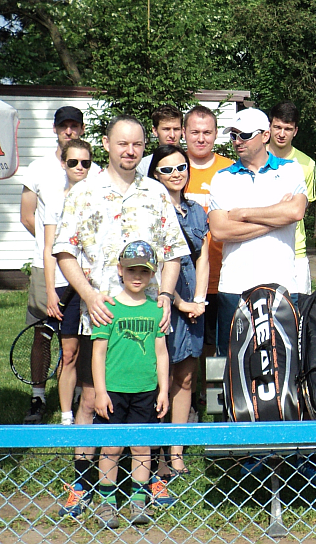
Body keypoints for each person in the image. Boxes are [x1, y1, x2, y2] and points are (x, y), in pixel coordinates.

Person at [53, 115, 188, 515]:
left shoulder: (157, 192)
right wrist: (88, 295)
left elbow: (173, 253)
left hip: (147, 317)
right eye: (122, 143)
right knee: (92, 398)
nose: (130, 151)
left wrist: (166, 296)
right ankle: (81, 482)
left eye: (137, 144)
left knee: (151, 396)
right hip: (100, 314)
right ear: (106, 144)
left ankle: (152, 479)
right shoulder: (84, 192)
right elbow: (64, 251)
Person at [19, 105, 100, 424]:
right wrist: (55, 248)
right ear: (55, 129)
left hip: (87, 271)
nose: (69, 130)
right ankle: (38, 395)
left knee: (83, 337)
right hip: (48, 268)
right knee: (42, 333)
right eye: (63, 125)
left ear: (81, 129)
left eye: (74, 126)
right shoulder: (38, 168)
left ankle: (81, 394)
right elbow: (28, 216)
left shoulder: (95, 172)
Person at [208, 107, 307, 356]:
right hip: (235, 286)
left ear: (265, 135)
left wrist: (243, 214)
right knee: (234, 363)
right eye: (234, 135)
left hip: (281, 283)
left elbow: (295, 212)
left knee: (284, 362)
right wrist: (276, 217)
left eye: (245, 135)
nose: (237, 141)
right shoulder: (222, 178)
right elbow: (219, 230)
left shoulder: (290, 169)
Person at [91, 241, 172, 529]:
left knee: (141, 447)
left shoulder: (155, 311)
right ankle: (106, 502)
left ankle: (139, 500)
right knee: (111, 448)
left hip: (145, 391)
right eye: (131, 270)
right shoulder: (108, 309)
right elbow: (98, 353)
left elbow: (162, 354)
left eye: (144, 271)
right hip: (113, 391)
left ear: (152, 274)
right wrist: (100, 392)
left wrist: (163, 391)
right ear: (120, 270)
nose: (137, 276)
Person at [148, 145, 209, 477]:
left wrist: (199, 299)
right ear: (155, 174)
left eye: (181, 167)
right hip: (162, 302)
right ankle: (155, 455)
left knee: (186, 378)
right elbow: (150, 266)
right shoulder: (149, 209)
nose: (176, 174)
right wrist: (180, 303)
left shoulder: (197, 211)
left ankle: (176, 453)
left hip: (193, 303)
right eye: (167, 169)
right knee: (161, 377)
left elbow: (203, 258)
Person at [182, 106, 234, 375]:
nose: (201, 138)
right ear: (184, 133)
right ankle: (187, 394)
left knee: (217, 344)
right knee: (183, 345)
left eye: (207, 132)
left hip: (223, 274)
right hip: (181, 275)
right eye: (195, 132)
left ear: (215, 135)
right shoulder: (173, 167)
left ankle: (211, 392)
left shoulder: (230, 170)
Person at [267, 101, 316, 301]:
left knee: (298, 310)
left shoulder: (307, 164)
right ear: (269, 127)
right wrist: (284, 208)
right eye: (277, 127)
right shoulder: (255, 159)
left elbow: (301, 210)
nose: (281, 134)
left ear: (295, 131)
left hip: (296, 250)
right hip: (261, 246)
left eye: (287, 129)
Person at [137, 105, 184, 176]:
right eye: (166, 129)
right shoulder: (143, 167)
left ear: (182, 130)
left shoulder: (190, 163)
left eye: (176, 129)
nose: (172, 135)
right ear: (155, 131)